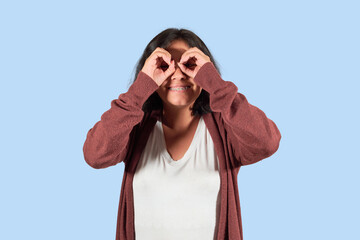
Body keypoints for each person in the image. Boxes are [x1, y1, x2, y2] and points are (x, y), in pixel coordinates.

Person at [83, 28, 282, 240]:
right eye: (165, 67)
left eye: (190, 65)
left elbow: (266, 142)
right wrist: (140, 88)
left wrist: (215, 84)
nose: (177, 74)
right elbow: (95, 155)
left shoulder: (226, 129)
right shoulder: (135, 128)